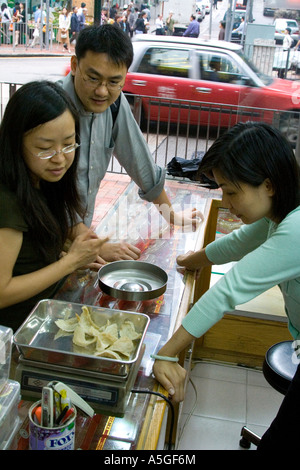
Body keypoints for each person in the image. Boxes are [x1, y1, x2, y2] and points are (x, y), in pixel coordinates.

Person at [152, 122, 300, 406]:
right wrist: (192, 260)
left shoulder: (296, 228)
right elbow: (239, 242)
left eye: (231, 192)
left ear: (268, 185)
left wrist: (166, 354)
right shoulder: (282, 210)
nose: (226, 202)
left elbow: (230, 288)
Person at [58, 25, 200, 263]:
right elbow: (39, 198)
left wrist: (171, 214)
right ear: (74, 66)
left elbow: (140, 162)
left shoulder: (113, 105)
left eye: (114, 82)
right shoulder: (51, 108)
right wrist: (95, 247)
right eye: (93, 78)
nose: (102, 91)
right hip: (40, 244)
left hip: (79, 245)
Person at [0, 81, 108, 332]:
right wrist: (69, 263)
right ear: (16, 144)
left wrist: (72, 256)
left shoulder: (42, 182)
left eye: (69, 144)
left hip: (43, 316)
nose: (60, 158)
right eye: (45, 148)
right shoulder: (7, 200)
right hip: (15, 335)